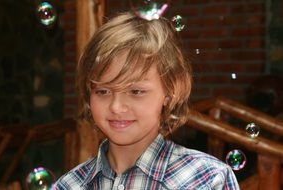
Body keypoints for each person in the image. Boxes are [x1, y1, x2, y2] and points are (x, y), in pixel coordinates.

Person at [55, 12, 240, 189]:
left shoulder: (209, 179)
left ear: (170, 91)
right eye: (103, 91)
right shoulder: (69, 185)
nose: (116, 107)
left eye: (136, 91)